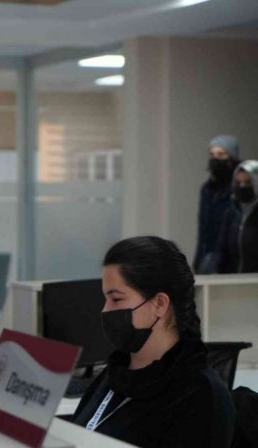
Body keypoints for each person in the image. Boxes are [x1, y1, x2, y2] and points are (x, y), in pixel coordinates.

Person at [71, 236, 235, 448]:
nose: (105, 310)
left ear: (159, 304)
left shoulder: (200, 396)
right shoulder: (114, 375)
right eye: (105, 299)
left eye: (116, 299)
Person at [194, 135, 240, 273]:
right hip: (208, 256)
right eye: (212, 154)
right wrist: (198, 261)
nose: (215, 158)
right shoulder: (207, 189)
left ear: (231, 158)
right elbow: (203, 228)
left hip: (233, 259)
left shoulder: (240, 189)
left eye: (221, 154)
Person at [216, 160, 258, 273]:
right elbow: (222, 250)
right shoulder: (231, 212)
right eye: (238, 183)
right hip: (234, 278)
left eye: (247, 182)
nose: (242, 186)